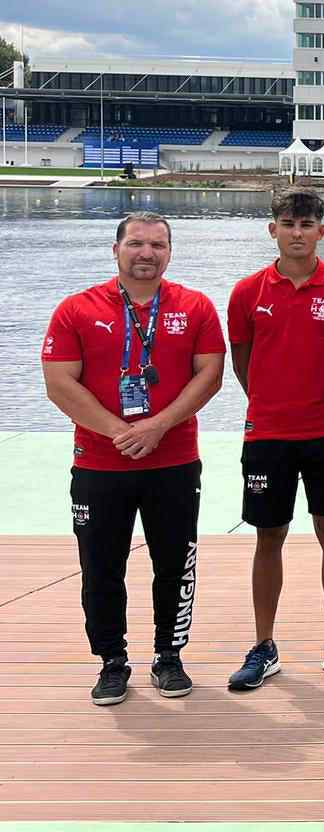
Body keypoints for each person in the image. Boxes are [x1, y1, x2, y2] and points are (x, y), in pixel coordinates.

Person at [43, 212, 225, 706]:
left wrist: (158, 425)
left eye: (157, 245)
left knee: (175, 564)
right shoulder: (76, 309)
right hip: (100, 463)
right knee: (101, 566)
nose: (147, 253)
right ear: (116, 249)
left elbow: (210, 375)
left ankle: (169, 656)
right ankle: (111, 661)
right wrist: (120, 432)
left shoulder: (195, 306)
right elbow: (59, 382)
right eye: (137, 243)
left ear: (170, 252)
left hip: (173, 461)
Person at [224, 186, 324, 692]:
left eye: (306, 225)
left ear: (321, 231)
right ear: (273, 230)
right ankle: (264, 646)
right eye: (288, 224)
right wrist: (271, 400)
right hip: (268, 434)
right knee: (268, 536)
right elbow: (242, 362)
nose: (297, 233)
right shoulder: (246, 293)